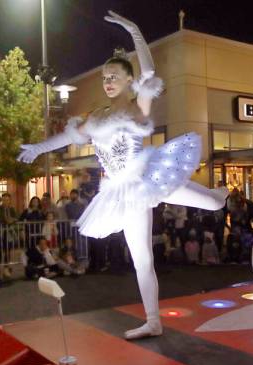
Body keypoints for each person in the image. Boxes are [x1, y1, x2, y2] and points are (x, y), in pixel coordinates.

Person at [17, 11, 228, 339]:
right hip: (121, 191)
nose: (108, 81)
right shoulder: (97, 117)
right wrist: (38, 148)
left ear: (128, 80)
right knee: (141, 258)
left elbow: (150, 70)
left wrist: (134, 29)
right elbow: (70, 137)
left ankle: (221, 195)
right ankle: (153, 320)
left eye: (114, 75)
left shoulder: (136, 104)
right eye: (105, 77)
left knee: (213, 206)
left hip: (146, 176)